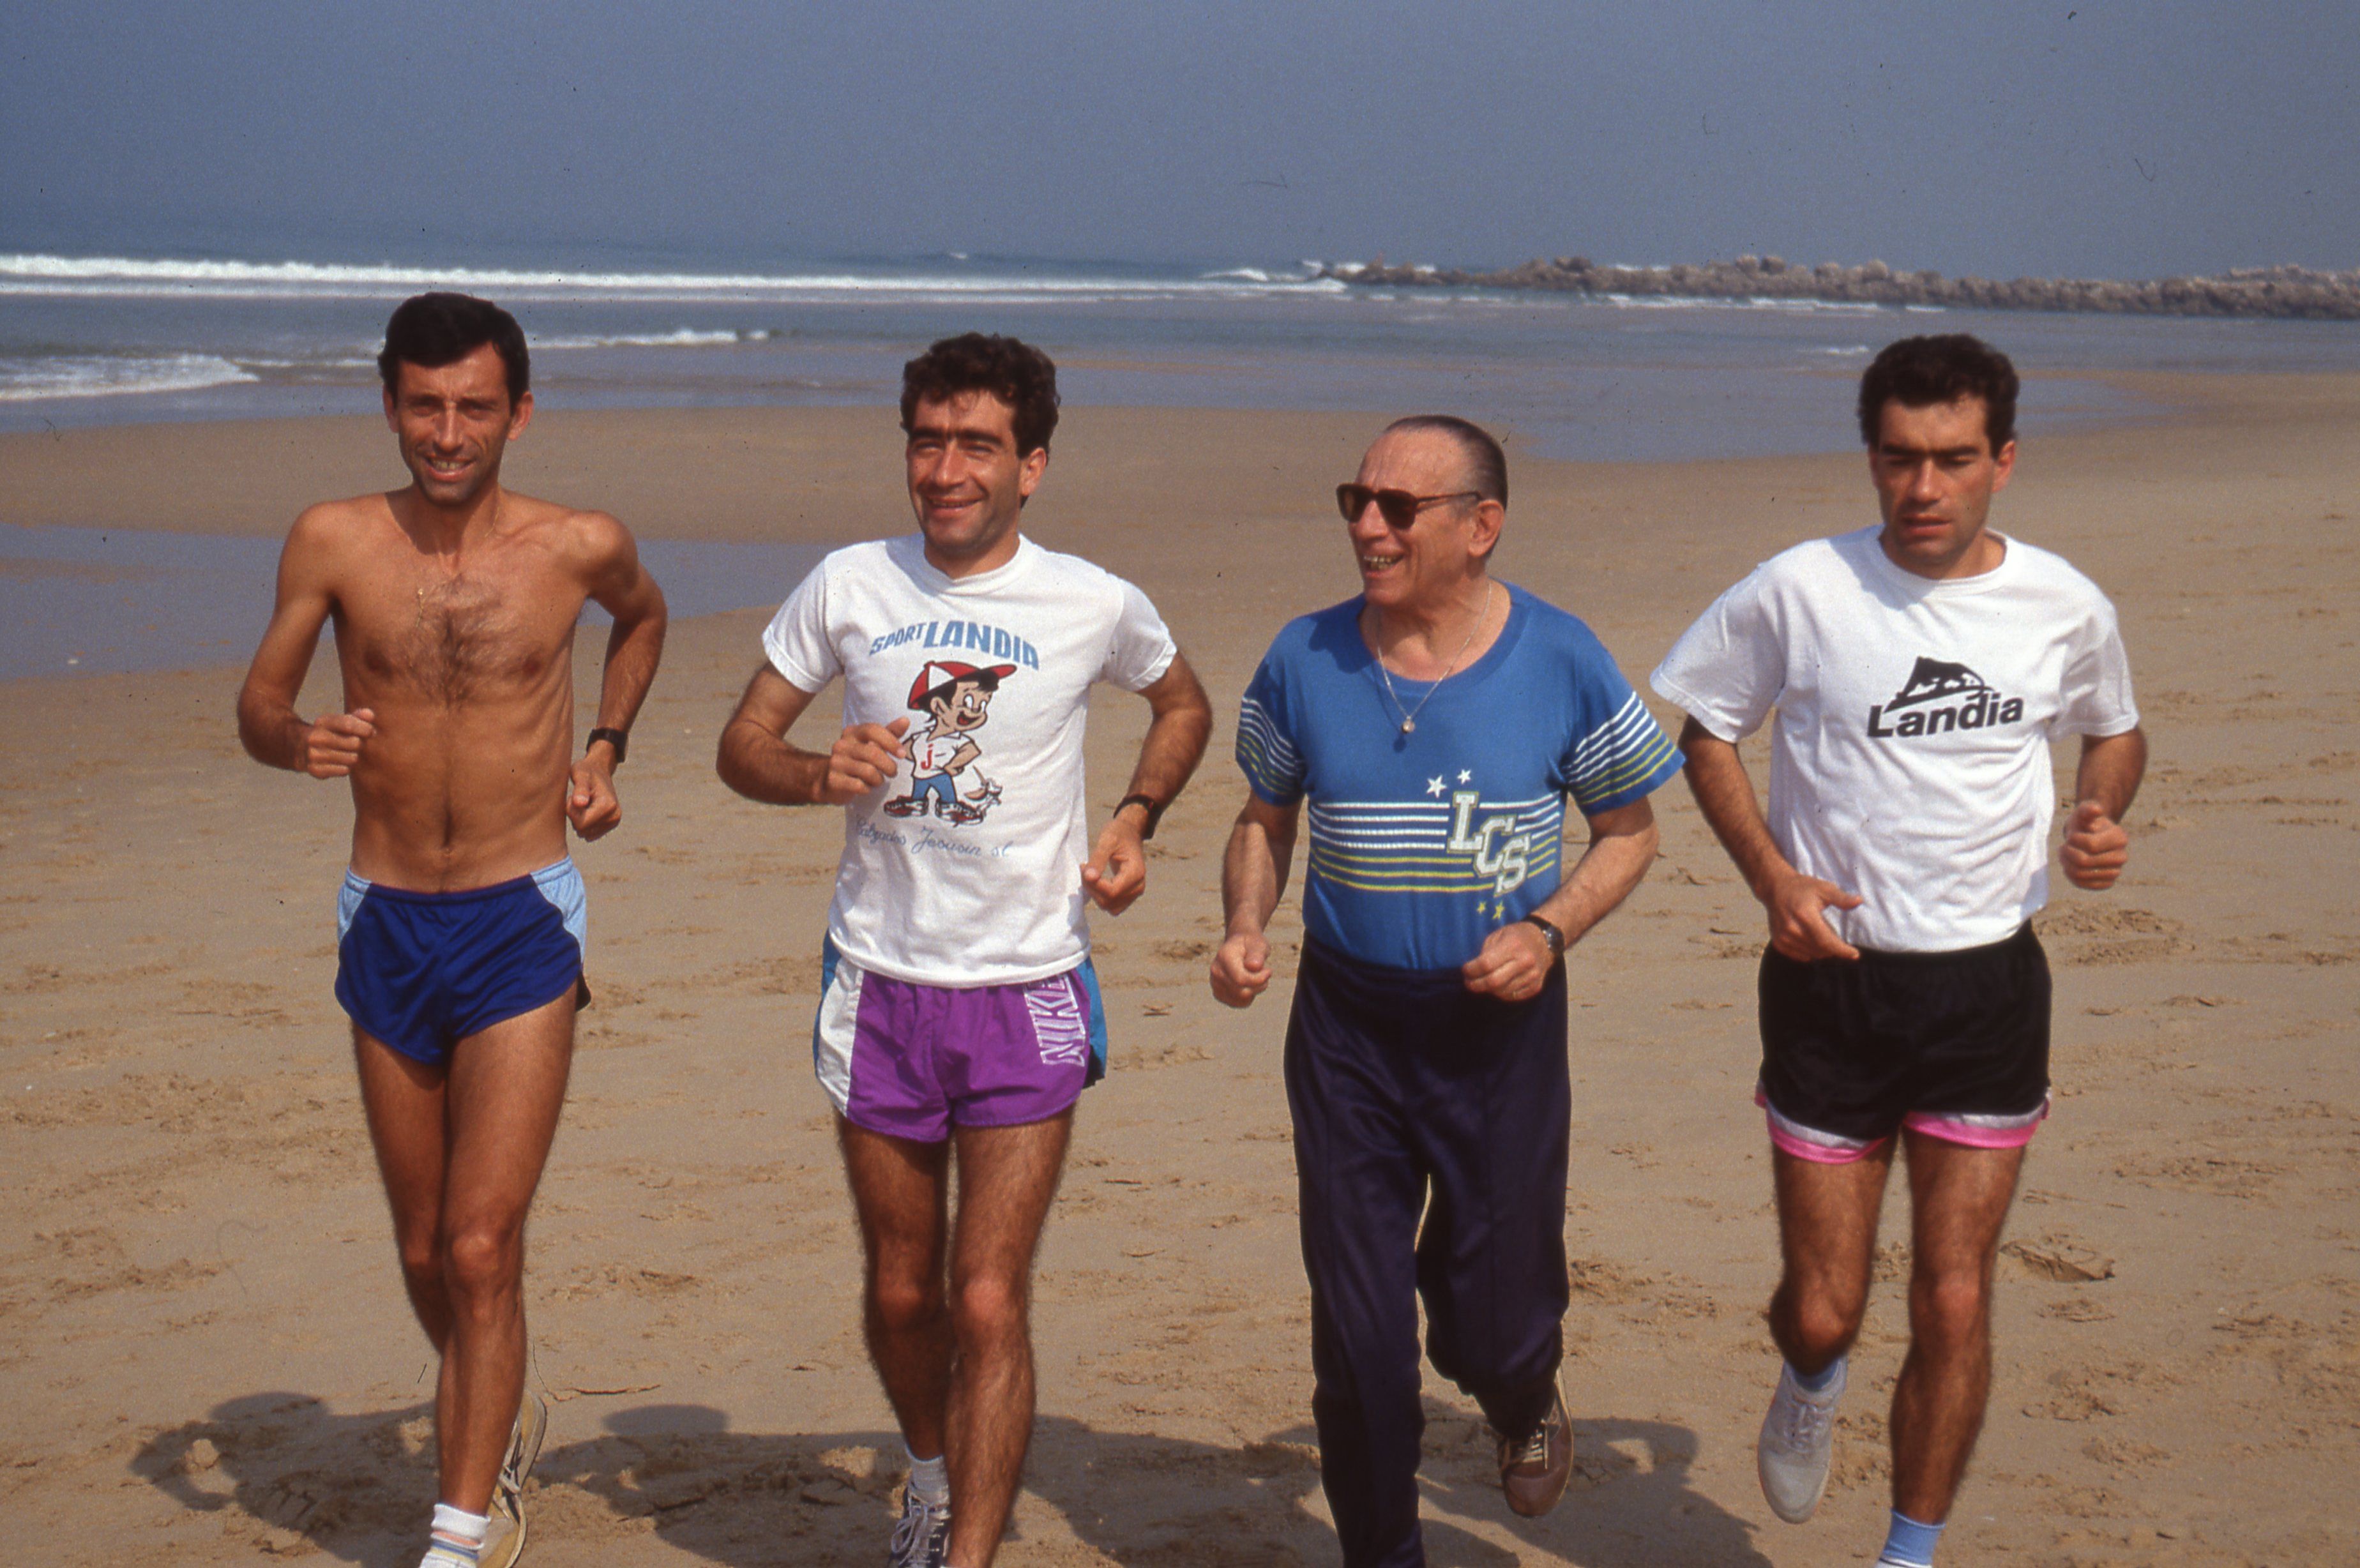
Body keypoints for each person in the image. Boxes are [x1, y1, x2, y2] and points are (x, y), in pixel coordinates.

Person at [715, 333, 1212, 1568]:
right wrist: (814, 771)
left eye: (977, 445)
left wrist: (1136, 820)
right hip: (880, 981)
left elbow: (1184, 701)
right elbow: (742, 745)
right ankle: (929, 1475)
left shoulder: (1092, 602)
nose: (947, 469)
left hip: (1028, 984)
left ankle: (970, 1556)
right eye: (928, 441)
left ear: (1030, 465)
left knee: (987, 1295)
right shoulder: (848, 586)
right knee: (902, 1292)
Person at [1649, 335, 2145, 1568]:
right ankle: (1810, 1378)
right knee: (1826, 1306)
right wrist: (1772, 879)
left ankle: (1908, 1555)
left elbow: (2115, 728)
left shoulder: (2065, 603)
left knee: (1956, 1291)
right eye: (1900, 460)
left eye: (1954, 460)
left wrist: (2099, 814)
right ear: (1871, 459)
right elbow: (1705, 730)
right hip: (1833, 983)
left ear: (2005, 462)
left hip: (1986, 987)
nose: (1925, 488)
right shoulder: (1800, 590)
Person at [236, 292, 667, 1568]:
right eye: (424, 405)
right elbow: (260, 700)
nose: (448, 430)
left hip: (522, 911)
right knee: (432, 1246)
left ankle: (461, 1527)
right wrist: (295, 740)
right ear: (389, 405)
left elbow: (644, 619)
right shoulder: (333, 539)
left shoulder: (579, 544)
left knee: (483, 1237)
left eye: (474, 406)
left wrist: (603, 743)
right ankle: (500, 1396)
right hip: (382, 916)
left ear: (518, 413)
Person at [1209, 415, 1681, 1568]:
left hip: (1498, 1032)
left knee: (1496, 1315)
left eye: (1397, 508)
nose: (1367, 526)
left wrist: (1550, 928)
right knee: (1361, 1337)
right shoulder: (1303, 657)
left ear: (1482, 527)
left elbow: (1630, 832)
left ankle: (1521, 1394)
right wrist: (1242, 924)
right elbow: (1265, 815)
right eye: (1356, 501)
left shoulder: (1560, 657)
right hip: (1349, 1030)